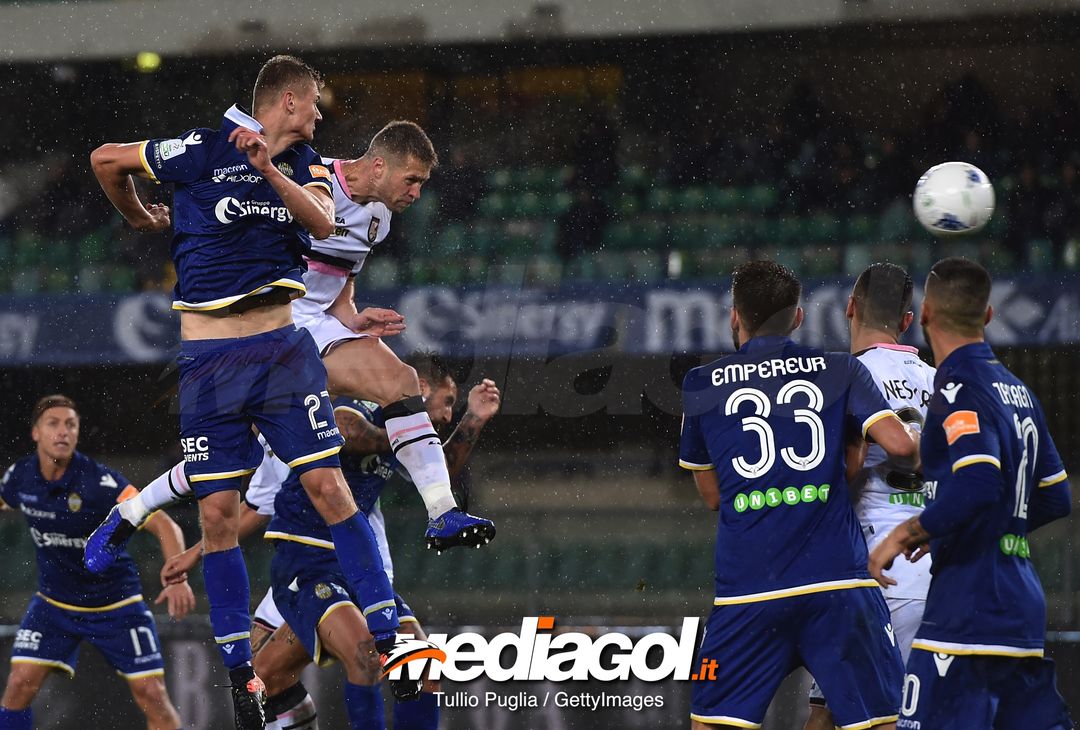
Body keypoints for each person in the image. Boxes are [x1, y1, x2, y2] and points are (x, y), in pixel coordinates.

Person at [87, 55, 407, 729]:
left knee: (329, 487)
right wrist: (141, 214)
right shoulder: (198, 150)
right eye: (313, 104)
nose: (319, 116)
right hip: (210, 360)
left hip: (284, 350)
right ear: (287, 101)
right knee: (218, 514)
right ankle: (241, 673)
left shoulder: (305, 164)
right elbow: (105, 159)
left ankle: (385, 629)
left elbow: (323, 223)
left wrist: (266, 168)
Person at [161, 355, 501, 730]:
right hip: (305, 559)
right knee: (364, 656)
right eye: (449, 402)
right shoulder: (362, 401)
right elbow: (344, 429)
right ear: (420, 388)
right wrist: (405, 439)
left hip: (360, 571)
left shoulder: (397, 431)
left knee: (420, 665)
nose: (447, 417)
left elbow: (437, 468)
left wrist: (474, 418)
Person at [679, 260, 919, 730]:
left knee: (712, 724)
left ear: (734, 316)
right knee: (878, 724)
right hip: (838, 583)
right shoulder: (840, 370)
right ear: (799, 317)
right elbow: (902, 448)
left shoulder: (700, 385)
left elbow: (712, 496)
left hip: (749, 589)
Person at [869, 258, 1073, 730]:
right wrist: (963, 525)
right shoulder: (1018, 389)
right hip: (1021, 610)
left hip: (966, 611)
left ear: (923, 316)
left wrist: (907, 532)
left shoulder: (960, 388)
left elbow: (980, 483)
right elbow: (1055, 497)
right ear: (988, 316)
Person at [0, 395, 193, 730]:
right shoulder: (20, 476)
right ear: (35, 433)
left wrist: (177, 578)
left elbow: (164, 524)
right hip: (53, 606)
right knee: (17, 687)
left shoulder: (101, 482)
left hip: (117, 605)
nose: (63, 432)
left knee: (153, 695)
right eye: (53, 424)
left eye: (70, 425)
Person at [804, 263, 937, 730]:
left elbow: (843, 474)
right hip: (936, 572)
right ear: (907, 321)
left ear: (850, 308)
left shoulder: (844, 376)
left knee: (836, 719)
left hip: (870, 576)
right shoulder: (940, 381)